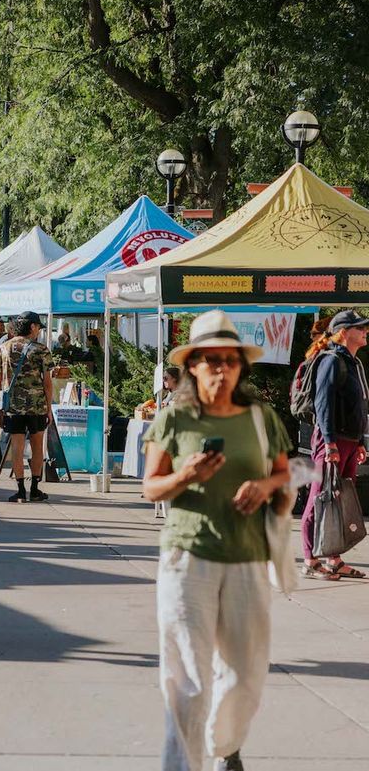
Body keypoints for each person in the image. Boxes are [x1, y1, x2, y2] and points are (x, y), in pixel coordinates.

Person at [142, 310, 292, 771]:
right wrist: (185, 475)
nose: (222, 369)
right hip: (188, 558)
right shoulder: (174, 418)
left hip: (248, 558)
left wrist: (265, 487)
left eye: (230, 360)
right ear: (192, 365)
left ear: (241, 366)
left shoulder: (260, 418)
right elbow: (151, 487)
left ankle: (224, 745)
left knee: (247, 673)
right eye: (212, 360)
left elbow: (284, 474)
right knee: (187, 678)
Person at [300, 309, 368, 580]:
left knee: (340, 501)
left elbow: (358, 406)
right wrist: (329, 443)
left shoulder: (353, 362)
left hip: (349, 440)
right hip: (332, 440)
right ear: (343, 332)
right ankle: (309, 559)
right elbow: (323, 404)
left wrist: (360, 441)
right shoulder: (330, 360)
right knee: (320, 498)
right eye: (359, 327)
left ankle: (333, 559)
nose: (365, 331)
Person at [0, 311, 53, 503]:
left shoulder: (3, 348)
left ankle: (20, 490)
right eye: (38, 328)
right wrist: (49, 409)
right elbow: (47, 383)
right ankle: (35, 488)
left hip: (13, 407)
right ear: (32, 327)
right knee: (37, 447)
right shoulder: (41, 349)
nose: (39, 331)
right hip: (37, 406)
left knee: (17, 448)